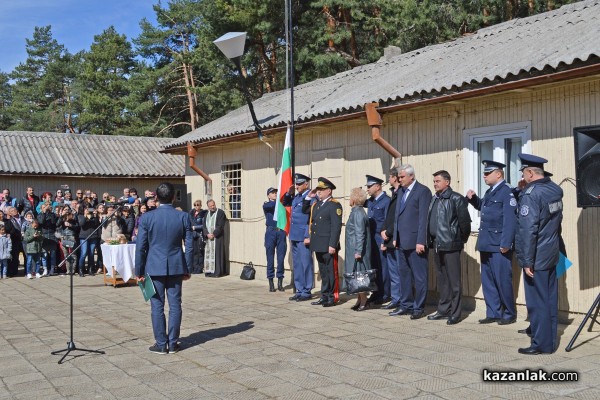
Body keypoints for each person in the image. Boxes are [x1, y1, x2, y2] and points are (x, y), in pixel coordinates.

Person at [135, 182, 193, 355]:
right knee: (175, 305)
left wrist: (138, 271)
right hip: (176, 265)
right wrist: (187, 268)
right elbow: (189, 245)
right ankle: (173, 343)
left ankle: (161, 344)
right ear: (174, 197)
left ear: (156, 198)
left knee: (157, 306)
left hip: (153, 266)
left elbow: (140, 247)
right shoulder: (183, 217)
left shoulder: (147, 218)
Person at [515, 154, 563, 355]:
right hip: (552, 252)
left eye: (524, 173)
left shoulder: (531, 194)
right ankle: (547, 338)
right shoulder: (554, 189)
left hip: (537, 256)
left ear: (530, 173)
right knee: (550, 298)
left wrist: (527, 261)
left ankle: (541, 344)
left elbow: (528, 230)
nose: (523, 177)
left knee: (538, 301)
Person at [466, 160, 518, 325]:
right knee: (488, 280)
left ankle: (509, 313)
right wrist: (474, 199)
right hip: (486, 242)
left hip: (499, 244)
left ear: (498, 174)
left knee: (503, 279)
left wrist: (506, 243)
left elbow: (510, 220)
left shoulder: (506, 192)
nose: (484, 176)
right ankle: (494, 312)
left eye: (487, 173)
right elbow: (484, 207)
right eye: (484, 173)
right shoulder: (490, 192)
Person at [426, 170, 471, 325]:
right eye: (434, 181)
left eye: (438, 181)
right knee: (442, 280)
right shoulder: (435, 199)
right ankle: (443, 309)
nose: (435, 183)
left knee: (454, 282)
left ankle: (456, 313)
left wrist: (457, 240)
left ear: (447, 182)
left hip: (451, 245)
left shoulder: (456, 198)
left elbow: (465, 224)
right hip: (437, 244)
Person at [390, 164, 432, 319]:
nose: (399, 180)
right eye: (398, 177)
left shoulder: (423, 191)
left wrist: (421, 241)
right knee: (404, 275)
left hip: (416, 242)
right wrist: (395, 236)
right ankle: (405, 305)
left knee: (419, 277)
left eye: (402, 177)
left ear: (411, 176)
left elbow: (423, 219)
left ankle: (418, 308)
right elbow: (397, 217)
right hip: (401, 241)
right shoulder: (401, 191)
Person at [303, 177, 343, 307]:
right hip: (318, 243)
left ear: (329, 191)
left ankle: (331, 297)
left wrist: (333, 244)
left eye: (322, 189)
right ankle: (324, 295)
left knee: (331, 271)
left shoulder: (334, 205)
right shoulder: (317, 204)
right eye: (318, 189)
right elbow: (305, 211)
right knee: (323, 271)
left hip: (328, 244)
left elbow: (336, 227)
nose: (319, 192)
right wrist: (309, 197)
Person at [282, 173, 315, 302]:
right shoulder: (296, 197)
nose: (297, 186)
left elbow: (311, 219)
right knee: (297, 264)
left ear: (306, 184)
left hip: (303, 235)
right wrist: (289, 193)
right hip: (294, 234)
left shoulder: (311, 197)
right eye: (296, 184)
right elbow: (285, 202)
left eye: (299, 184)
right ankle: (299, 289)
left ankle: (307, 291)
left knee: (306, 263)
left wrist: (308, 235)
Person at [364, 175, 391, 305]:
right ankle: (376, 291)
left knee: (383, 267)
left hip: (380, 238)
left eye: (369, 186)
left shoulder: (387, 201)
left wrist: (385, 242)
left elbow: (387, 222)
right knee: (374, 266)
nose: (367, 189)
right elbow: (357, 200)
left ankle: (385, 294)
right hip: (371, 238)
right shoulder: (371, 201)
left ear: (378, 186)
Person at [345, 187, 372, 311]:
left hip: (357, 250)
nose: (349, 199)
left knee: (359, 275)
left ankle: (364, 300)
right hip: (354, 249)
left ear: (355, 199)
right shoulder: (357, 211)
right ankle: (360, 299)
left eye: (351, 196)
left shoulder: (358, 213)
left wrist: (358, 251)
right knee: (357, 275)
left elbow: (360, 233)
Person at [381, 168, 402, 310]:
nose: (389, 179)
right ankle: (395, 299)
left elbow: (398, 217)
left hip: (397, 238)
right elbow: (388, 216)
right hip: (388, 238)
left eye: (390, 176)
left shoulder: (401, 193)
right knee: (393, 271)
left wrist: (388, 232)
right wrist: (384, 233)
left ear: (395, 178)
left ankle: (401, 299)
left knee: (400, 272)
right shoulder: (393, 193)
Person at [262, 187, 287, 292]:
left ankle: (280, 281)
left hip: (280, 231)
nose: (275, 194)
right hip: (271, 232)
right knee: (270, 258)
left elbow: (288, 200)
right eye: (272, 193)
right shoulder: (267, 205)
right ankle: (271, 282)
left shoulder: (280, 204)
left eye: (276, 192)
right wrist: (278, 201)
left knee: (281, 258)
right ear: (268, 195)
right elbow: (271, 206)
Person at [202, 199, 229, 277]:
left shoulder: (220, 213)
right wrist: (207, 234)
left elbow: (220, 226)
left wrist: (213, 234)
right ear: (208, 207)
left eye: (213, 205)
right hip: (208, 239)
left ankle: (217, 272)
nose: (212, 207)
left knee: (217, 254)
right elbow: (204, 226)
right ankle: (209, 271)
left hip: (217, 238)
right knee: (209, 254)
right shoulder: (206, 214)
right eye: (210, 206)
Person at [78, 206, 101, 276]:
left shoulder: (93, 216)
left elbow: (97, 224)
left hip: (93, 236)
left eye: (89, 209)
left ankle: (90, 269)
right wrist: (85, 216)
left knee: (91, 253)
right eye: (86, 208)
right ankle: (81, 269)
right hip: (84, 237)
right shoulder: (81, 216)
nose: (88, 210)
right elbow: (81, 224)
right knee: (84, 253)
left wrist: (95, 215)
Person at [37, 202, 58, 276]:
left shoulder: (53, 215)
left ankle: (52, 269)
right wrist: (44, 213)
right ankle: (45, 269)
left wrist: (51, 213)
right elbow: (41, 222)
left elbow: (53, 222)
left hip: (52, 236)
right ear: (41, 209)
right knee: (44, 255)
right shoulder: (39, 215)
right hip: (44, 236)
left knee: (53, 255)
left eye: (47, 207)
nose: (46, 208)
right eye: (44, 207)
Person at [189, 200, 207, 274]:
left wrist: (195, 227)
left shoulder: (203, 214)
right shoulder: (191, 213)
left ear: (201, 205)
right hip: (193, 235)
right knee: (194, 252)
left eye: (198, 205)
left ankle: (199, 268)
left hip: (200, 235)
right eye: (195, 205)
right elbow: (188, 223)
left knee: (200, 252)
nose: (196, 206)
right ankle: (194, 267)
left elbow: (204, 225)